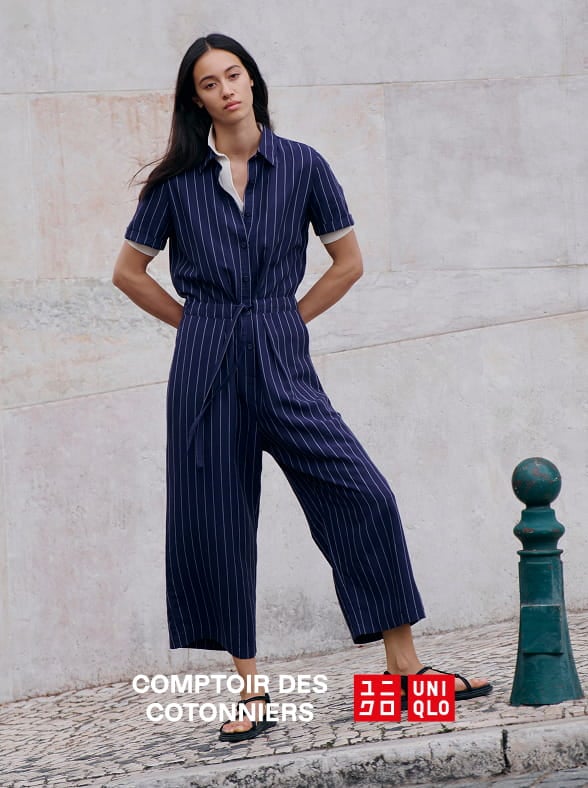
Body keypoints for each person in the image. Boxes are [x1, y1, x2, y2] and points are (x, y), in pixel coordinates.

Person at [113, 33, 492, 743]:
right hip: (206, 363)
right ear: (194, 100)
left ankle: (405, 673)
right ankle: (250, 692)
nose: (225, 89)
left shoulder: (304, 166)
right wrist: (194, 323)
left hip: (281, 355)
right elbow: (128, 273)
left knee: (363, 493)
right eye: (208, 82)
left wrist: (286, 318)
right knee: (219, 524)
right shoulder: (177, 184)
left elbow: (347, 261)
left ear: (252, 83)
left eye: (233, 75)